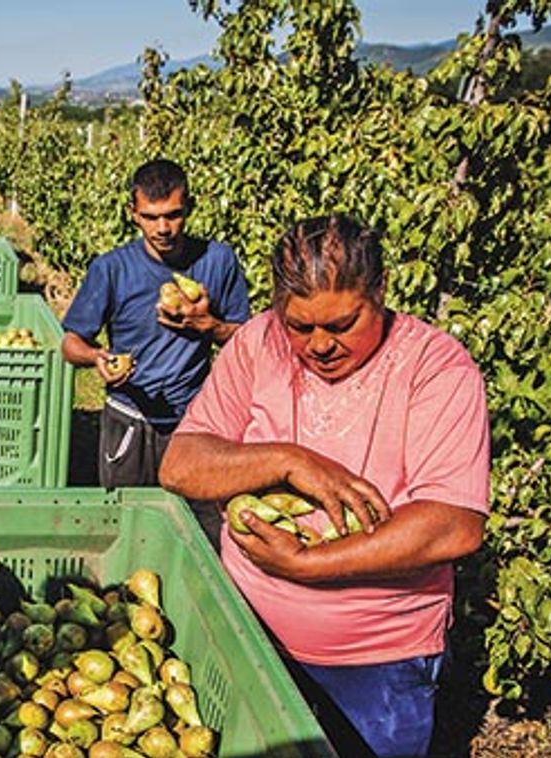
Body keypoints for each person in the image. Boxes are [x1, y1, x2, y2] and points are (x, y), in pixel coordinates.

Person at [158, 215, 490, 757]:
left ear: (380, 292)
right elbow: (181, 464)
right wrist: (288, 460)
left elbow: (452, 524)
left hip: (376, 661)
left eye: (342, 324)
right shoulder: (258, 343)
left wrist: (308, 565)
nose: (319, 345)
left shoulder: (435, 368)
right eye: (300, 325)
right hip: (247, 636)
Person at [61, 158, 251, 488]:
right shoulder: (111, 269)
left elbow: (245, 341)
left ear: (189, 208)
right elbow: (70, 344)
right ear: (133, 213)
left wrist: (208, 325)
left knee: (193, 526)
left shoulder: (218, 261)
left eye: (173, 215)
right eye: (150, 217)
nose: (163, 229)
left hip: (193, 422)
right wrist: (97, 358)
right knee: (128, 523)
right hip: (130, 418)